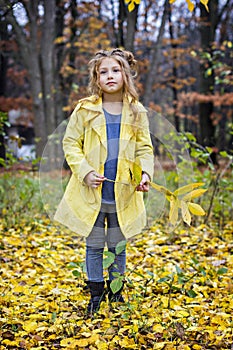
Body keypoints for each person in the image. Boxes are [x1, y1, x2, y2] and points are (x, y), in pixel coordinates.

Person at [54, 48, 154, 315]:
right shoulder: (85, 109)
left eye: (115, 70)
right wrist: (84, 170)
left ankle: (116, 293)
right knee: (95, 244)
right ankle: (95, 295)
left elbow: (145, 148)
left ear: (125, 74)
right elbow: (71, 143)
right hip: (93, 191)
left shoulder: (136, 111)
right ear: (96, 79)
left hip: (123, 192)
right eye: (103, 72)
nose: (110, 76)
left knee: (118, 246)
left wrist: (145, 173)